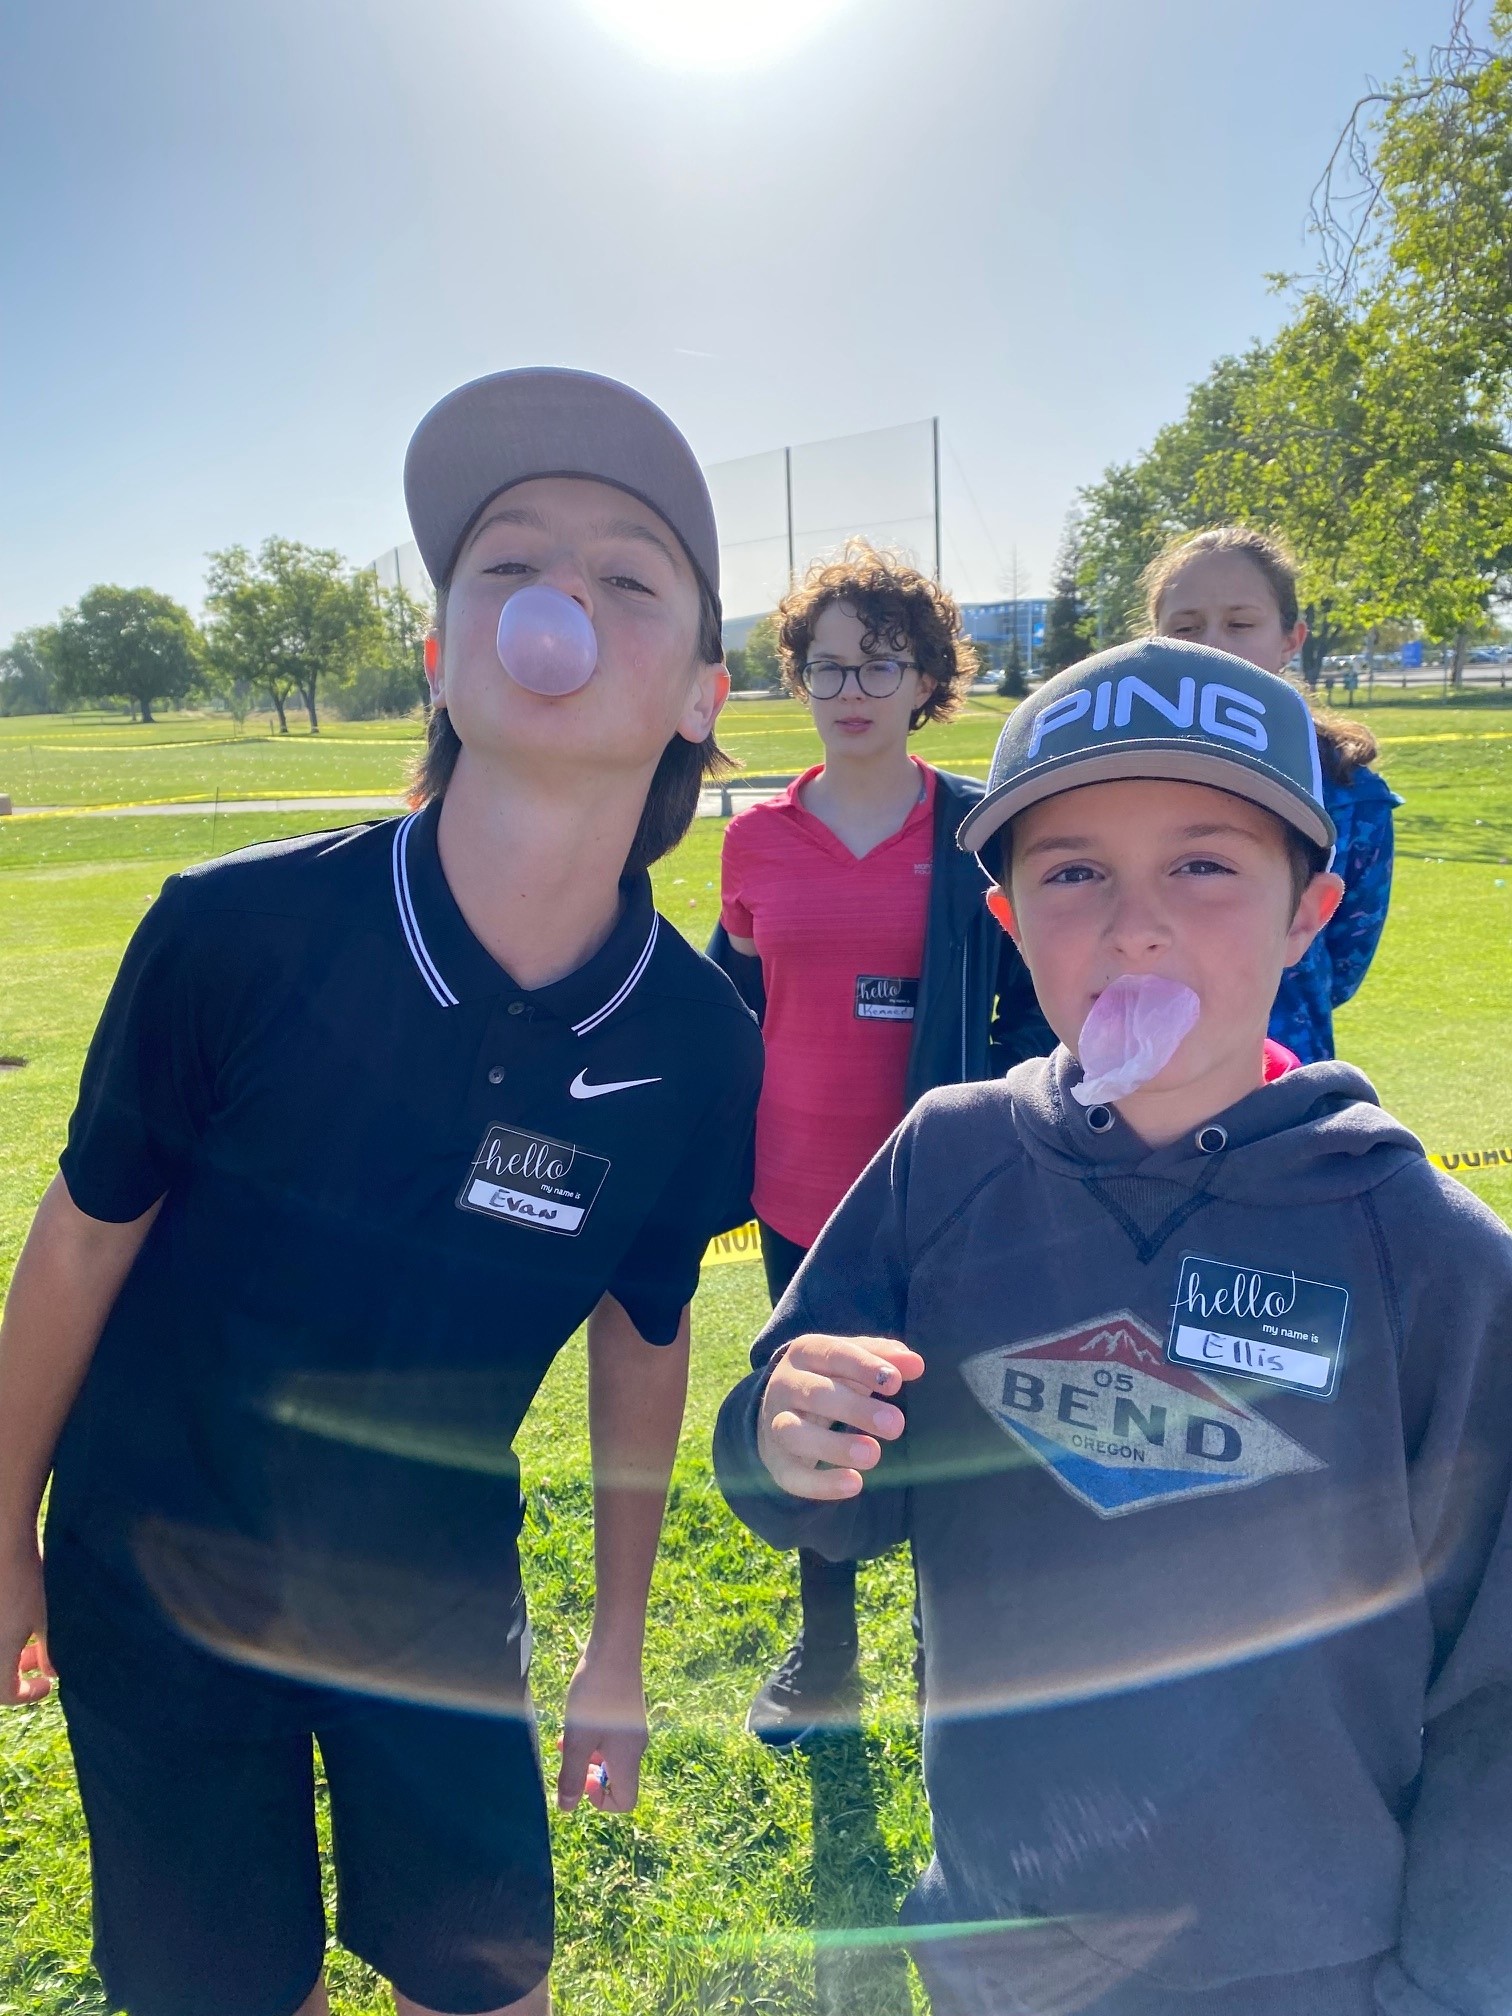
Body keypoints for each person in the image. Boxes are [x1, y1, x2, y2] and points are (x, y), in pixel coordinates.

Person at [0, 368, 763, 2016]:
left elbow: (646, 1332)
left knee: (485, 1986)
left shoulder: (697, 1039)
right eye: (510, 564)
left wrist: (619, 1645)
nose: (559, 603)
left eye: (626, 576)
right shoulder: (231, 932)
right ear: (441, 654)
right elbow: (78, 1241)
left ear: (702, 696)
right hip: (156, 1567)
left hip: (431, 1587)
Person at [716, 637, 1512, 2016]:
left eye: (1203, 865)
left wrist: (1450, 1985)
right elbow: (818, 1483)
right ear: (1008, 918)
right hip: (1000, 1932)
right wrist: (785, 1436)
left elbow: (1496, 1684)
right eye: (1075, 874)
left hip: (1306, 1962)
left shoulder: (1425, 1252)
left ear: (1309, 913)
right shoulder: (948, 1162)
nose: (1136, 927)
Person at [708, 541, 1053, 1747]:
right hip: (798, 1196)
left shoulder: (978, 832)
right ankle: (829, 1658)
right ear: (797, 676)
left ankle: (955, 1653)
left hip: (947, 1193)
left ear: (928, 682)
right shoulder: (754, 841)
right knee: (823, 1430)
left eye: (881, 664)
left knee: (957, 1426)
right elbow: (731, 1007)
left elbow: (1034, 1009)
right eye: (828, 665)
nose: (850, 689)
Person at [1145, 526, 1400, 1061]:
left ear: (1290, 640)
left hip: (1283, 1073)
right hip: (1126, 1072)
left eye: (1240, 624)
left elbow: (1343, 967)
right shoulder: (1099, 780)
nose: (1213, 645)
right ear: (1155, 641)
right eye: (1186, 627)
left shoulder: (1349, 795)